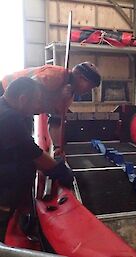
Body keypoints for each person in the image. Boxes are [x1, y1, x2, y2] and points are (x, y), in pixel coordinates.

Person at [0, 77, 74, 242]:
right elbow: (34, 154)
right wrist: (59, 170)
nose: (39, 108)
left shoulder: (8, 109)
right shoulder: (9, 118)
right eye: (36, 103)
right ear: (23, 99)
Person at [1, 62, 101, 154]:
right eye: (89, 86)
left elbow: (55, 122)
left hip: (22, 108)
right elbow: (28, 94)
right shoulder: (54, 75)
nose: (88, 91)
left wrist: (57, 147)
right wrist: (58, 96)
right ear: (80, 78)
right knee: (16, 139)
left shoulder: (68, 97)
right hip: (6, 91)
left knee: (23, 141)